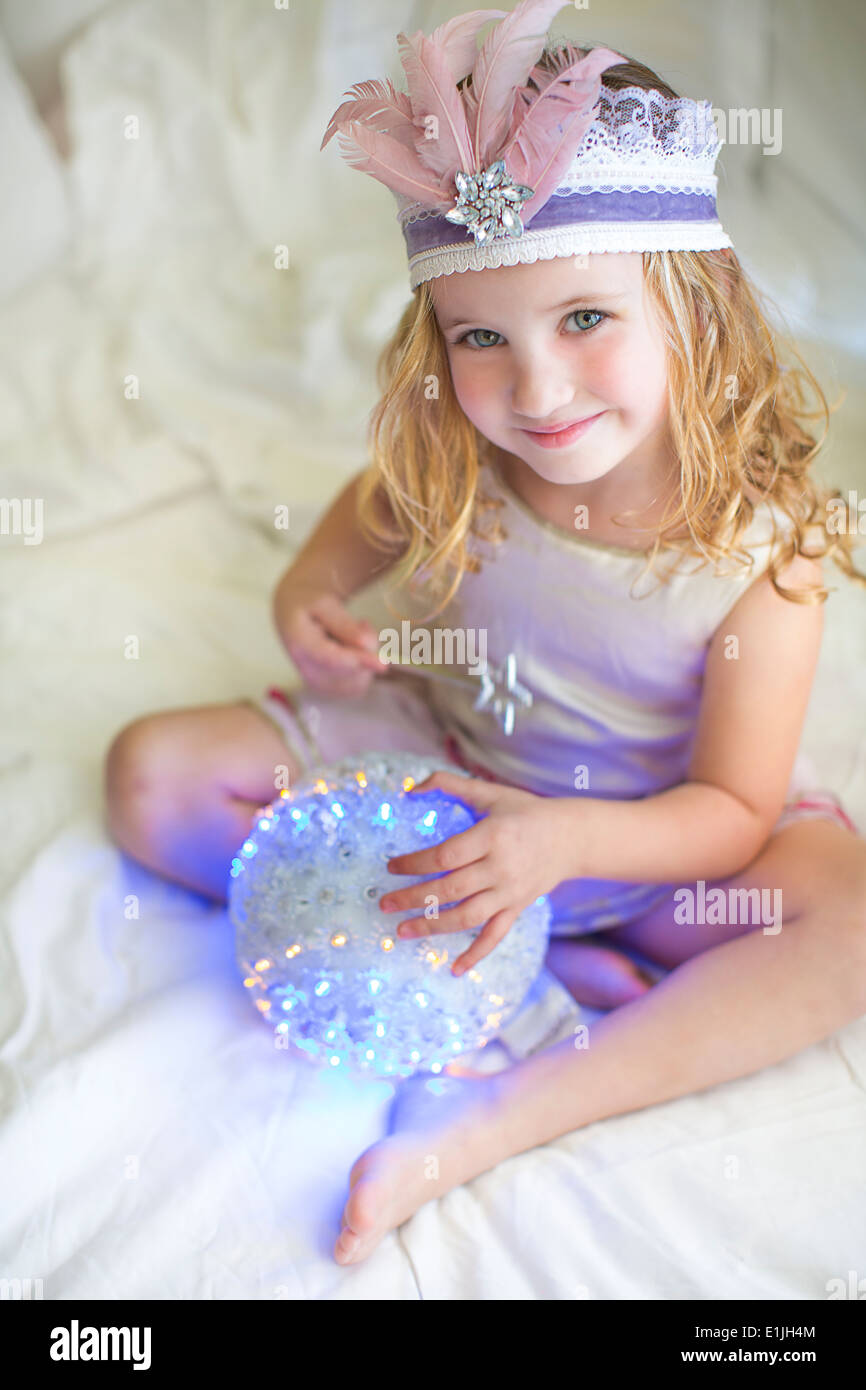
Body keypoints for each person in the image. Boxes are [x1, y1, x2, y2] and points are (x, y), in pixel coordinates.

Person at [103, 0, 866, 1269]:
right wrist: (308, 601)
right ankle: (516, 973)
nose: (537, 390)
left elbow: (731, 806)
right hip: (432, 799)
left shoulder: (757, 549)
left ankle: (508, 1099)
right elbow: (363, 518)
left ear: (692, 300)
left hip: (633, 831)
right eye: (479, 339)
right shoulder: (464, 454)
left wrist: (563, 847)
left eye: (583, 319)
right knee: (150, 776)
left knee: (844, 918)